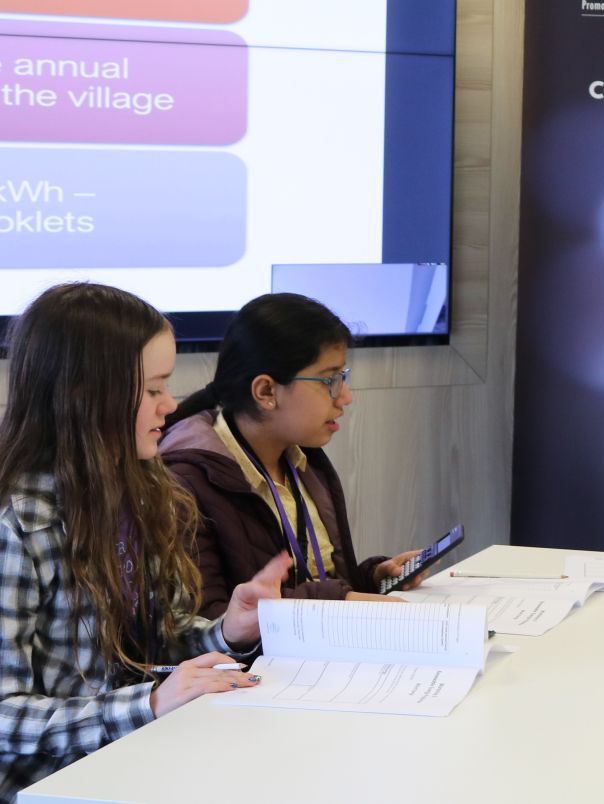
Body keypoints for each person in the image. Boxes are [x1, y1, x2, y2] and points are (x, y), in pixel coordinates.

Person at [0, 283, 287, 801]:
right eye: (154, 390)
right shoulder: (18, 523)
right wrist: (147, 705)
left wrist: (227, 634)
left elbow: (157, 644)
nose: (170, 405)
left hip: (142, 755)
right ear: (87, 397)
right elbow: (6, 717)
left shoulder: (144, 490)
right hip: (54, 785)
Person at [161, 293, 421, 619]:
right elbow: (210, 622)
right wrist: (341, 598)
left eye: (343, 377)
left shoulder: (304, 460)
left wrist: (372, 579)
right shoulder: (188, 482)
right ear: (266, 391)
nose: (345, 396)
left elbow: (312, 579)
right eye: (330, 380)